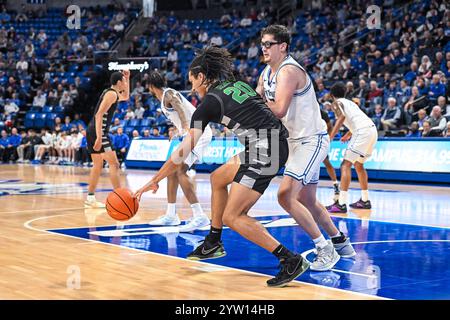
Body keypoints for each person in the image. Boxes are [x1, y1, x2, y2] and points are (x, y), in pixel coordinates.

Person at [135, 47, 308, 288]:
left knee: (233, 216)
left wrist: (154, 180)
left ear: (202, 76)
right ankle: (213, 241)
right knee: (218, 178)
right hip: (270, 143)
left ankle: (289, 259)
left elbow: (183, 150)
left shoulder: (209, 102)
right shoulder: (237, 84)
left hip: (265, 150)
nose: (193, 88)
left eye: (193, 81)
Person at [257, 25, 355, 272]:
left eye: (269, 44)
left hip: (311, 140)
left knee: (285, 195)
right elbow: (256, 99)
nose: (264, 48)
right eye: (262, 44)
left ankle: (325, 250)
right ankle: (341, 242)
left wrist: (256, 102)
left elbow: (278, 109)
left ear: (283, 46)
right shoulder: (266, 72)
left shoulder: (289, 70)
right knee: (306, 199)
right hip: (296, 142)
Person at [146, 70, 211, 232]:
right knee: (173, 172)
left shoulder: (169, 94)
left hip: (199, 133)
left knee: (181, 170)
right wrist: (178, 131)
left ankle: (200, 216)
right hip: (191, 132)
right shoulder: (164, 97)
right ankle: (171, 215)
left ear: (151, 86)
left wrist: (187, 128)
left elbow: (180, 108)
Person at [326, 82, 378, 213]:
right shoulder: (350, 103)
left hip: (362, 132)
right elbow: (357, 119)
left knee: (345, 165)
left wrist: (330, 137)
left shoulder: (336, 103)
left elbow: (341, 118)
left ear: (332, 95)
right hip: (372, 130)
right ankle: (365, 200)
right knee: (359, 165)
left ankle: (341, 203)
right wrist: (348, 134)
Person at [85, 71, 130, 208]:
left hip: (93, 130)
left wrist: (127, 78)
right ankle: (120, 197)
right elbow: (99, 115)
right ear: (118, 83)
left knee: (98, 165)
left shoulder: (112, 93)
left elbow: (126, 96)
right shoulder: (111, 94)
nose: (125, 83)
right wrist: (99, 137)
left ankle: (90, 198)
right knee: (114, 164)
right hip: (99, 132)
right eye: (123, 80)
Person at [321, 106, 340, 202]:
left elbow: (330, 127)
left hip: (320, 140)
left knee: (326, 162)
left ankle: (335, 184)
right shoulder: (306, 111)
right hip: (307, 140)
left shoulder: (323, 113)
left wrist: (329, 138)